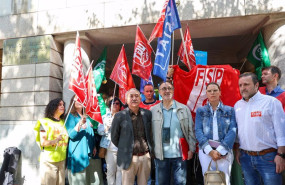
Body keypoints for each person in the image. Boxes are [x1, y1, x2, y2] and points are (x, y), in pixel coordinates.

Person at [234, 72, 285, 185]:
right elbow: (239, 131)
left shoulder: (271, 102)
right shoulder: (237, 105)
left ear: (256, 85)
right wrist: (237, 149)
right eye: (240, 85)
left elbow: (281, 131)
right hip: (245, 158)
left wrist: (281, 155)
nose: (243, 88)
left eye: (246, 84)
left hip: (268, 158)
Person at [150, 81, 196, 185]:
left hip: (180, 155)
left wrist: (191, 149)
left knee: (180, 183)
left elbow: (191, 130)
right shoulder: (153, 110)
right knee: (162, 183)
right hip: (160, 155)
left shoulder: (183, 109)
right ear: (159, 92)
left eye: (169, 88)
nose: (167, 91)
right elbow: (150, 133)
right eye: (164, 89)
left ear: (173, 91)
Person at [195, 82, 237, 185]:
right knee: (209, 180)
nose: (212, 93)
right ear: (206, 94)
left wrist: (220, 150)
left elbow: (233, 131)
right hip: (206, 152)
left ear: (220, 92)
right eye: (209, 91)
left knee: (224, 180)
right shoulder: (200, 111)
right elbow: (198, 131)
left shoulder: (230, 110)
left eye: (215, 90)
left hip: (224, 151)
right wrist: (210, 151)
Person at [111, 88, 153, 185]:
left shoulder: (147, 114)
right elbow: (114, 138)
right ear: (126, 100)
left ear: (140, 98)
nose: (134, 98)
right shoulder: (119, 116)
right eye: (131, 96)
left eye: (136, 96)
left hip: (145, 157)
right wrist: (125, 147)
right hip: (128, 158)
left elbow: (150, 134)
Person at [65, 95, 100, 185]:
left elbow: (90, 133)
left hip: (88, 153)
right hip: (78, 153)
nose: (79, 101)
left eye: (81, 99)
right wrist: (80, 124)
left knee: (88, 182)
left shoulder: (86, 116)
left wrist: (94, 146)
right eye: (77, 100)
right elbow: (71, 135)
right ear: (73, 102)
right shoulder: (70, 116)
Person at [34, 98, 68, 185]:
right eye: (59, 105)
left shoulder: (63, 122)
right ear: (53, 107)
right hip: (49, 161)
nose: (62, 106)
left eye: (63, 105)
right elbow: (43, 143)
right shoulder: (44, 122)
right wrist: (55, 140)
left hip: (62, 159)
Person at [98, 97, 123, 185]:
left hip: (121, 149)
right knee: (110, 171)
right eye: (113, 103)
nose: (115, 105)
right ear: (110, 105)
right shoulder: (104, 117)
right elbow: (99, 132)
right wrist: (106, 127)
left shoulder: (123, 117)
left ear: (120, 106)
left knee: (120, 171)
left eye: (117, 103)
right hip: (109, 148)